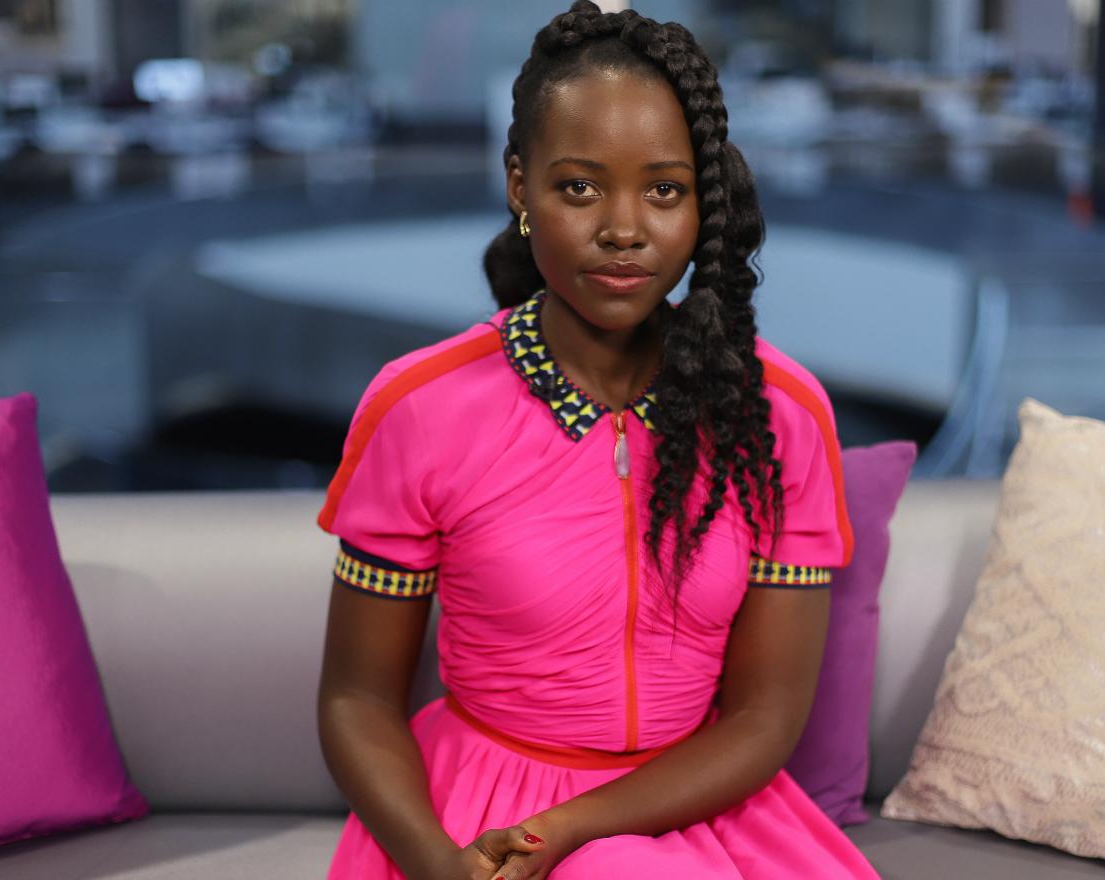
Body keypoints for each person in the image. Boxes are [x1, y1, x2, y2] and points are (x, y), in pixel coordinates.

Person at [316, 3, 879, 878]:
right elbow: (356, 698)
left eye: (665, 190)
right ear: (519, 187)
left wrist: (574, 831)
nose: (624, 228)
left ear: (704, 202)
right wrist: (438, 865)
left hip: (703, 802)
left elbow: (764, 720)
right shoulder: (420, 406)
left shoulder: (781, 413)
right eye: (581, 186)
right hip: (478, 819)